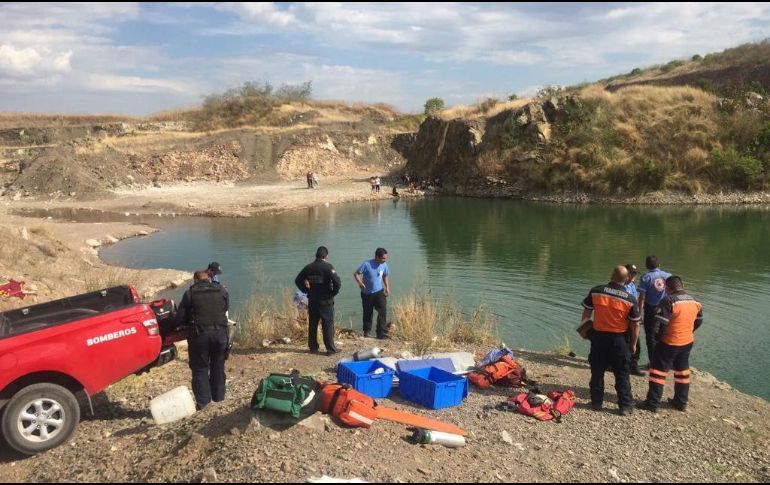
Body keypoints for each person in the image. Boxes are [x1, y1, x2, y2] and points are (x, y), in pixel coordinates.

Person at [581, 266, 641, 416]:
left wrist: (585, 333)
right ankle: (625, 406)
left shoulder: (596, 291)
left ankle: (596, 402)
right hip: (619, 340)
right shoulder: (630, 299)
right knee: (622, 373)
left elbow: (586, 313)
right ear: (627, 279)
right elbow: (635, 325)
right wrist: (633, 344)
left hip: (599, 337)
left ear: (611, 275)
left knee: (597, 371)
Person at [639, 276, 703, 413]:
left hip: (670, 342)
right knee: (682, 372)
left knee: (657, 372)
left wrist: (657, 340)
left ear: (667, 288)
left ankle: (652, 403)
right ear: (682, 285)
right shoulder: (695, 301)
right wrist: (688, 331)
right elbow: (698, 321)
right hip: (687, 341)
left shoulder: (668, 301)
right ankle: (681, 402)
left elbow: (660, 324)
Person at [175, 271, 230, 410]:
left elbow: (180, 317)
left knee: (200, 369)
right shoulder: (221, 290)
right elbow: (225, 307)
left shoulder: (190, 294)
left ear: (195, 281)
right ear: (210, 279)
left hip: (200, 336)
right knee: (218, 367)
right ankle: (219, 400)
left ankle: (204, 405)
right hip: (220, 335)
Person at [295, 246, 342, 356]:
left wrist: (306, 290)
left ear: (316, 255)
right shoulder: (328, 267)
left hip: (313, 300)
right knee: (327, 324)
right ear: (326, 256)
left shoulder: (309, 267)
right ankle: (330, 349)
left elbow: (297, 280)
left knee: (313, 324)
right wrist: (332, 293)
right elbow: (337, 283)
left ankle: (313, 347)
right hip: (326, 301)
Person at [637, 256, 672, 369]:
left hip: (651, 310)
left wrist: (639, 314)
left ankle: (653, 363)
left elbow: (642, 297)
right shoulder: (668, 276)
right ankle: (665, 361)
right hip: (666, 309)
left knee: (651, 336)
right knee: (665, 334)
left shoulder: (646, 277)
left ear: (647, 266)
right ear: (659, 265)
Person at [354, 248, 391, 339]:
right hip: (367, 294)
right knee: (368, 313)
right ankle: (367, 332)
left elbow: (385, 275)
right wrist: (360, 283)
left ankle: (381, 333)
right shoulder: (367, 264)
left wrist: (387, 287)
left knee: (382, 311)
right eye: (383, 258)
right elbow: (356, 274)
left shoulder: (384, 265)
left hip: (379, 292)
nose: (384, 260)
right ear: (377, 257)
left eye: (385, 258)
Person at [624, 263, 645, 376]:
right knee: (632, 343)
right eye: (631, 273)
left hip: (634, 318)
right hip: (626, 320)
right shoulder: (621, 286)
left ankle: (632, 365)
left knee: (634, 342)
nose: (633, 275)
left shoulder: (632, 285)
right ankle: (631, 366)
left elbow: (636, 301)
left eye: (635, 273)